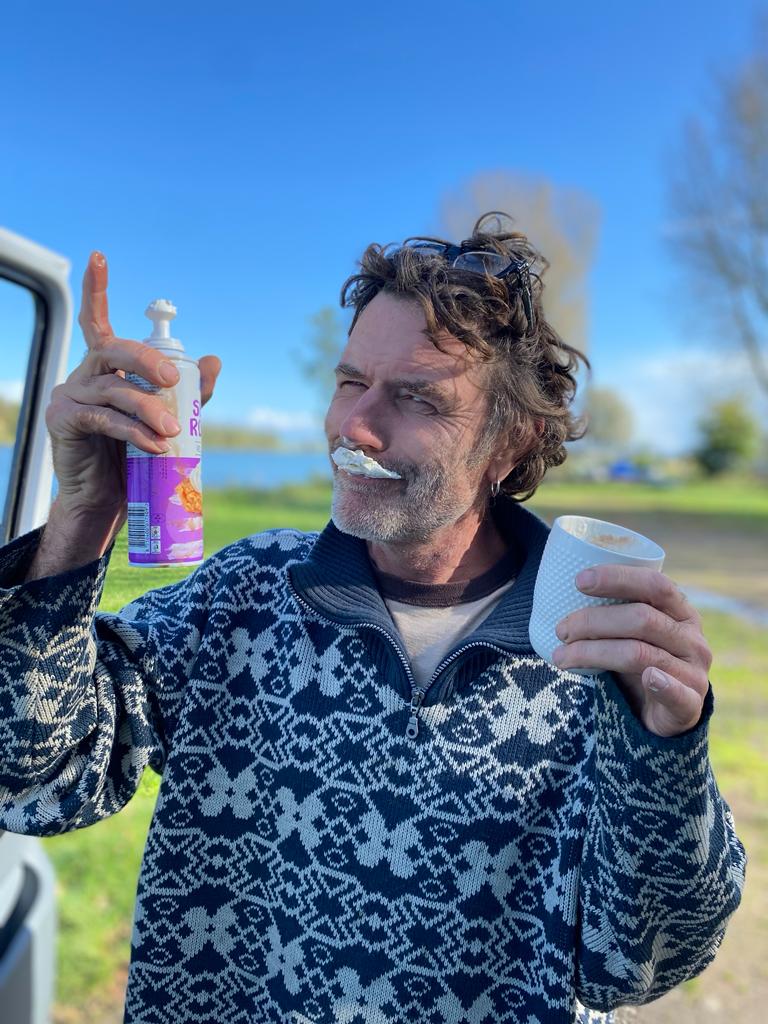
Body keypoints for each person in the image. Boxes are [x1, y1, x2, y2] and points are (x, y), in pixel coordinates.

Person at [0, 214, 745, 1024]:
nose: (353, 428)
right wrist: (82, 516)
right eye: (350, 382)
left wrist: (665, 751)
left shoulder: (592, 654)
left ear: (511, 440)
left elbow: (635, 966)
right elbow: (36, 779)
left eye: (417, 397)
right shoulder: (243, 598)